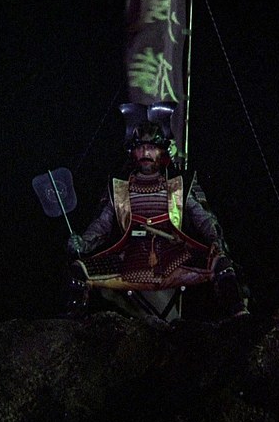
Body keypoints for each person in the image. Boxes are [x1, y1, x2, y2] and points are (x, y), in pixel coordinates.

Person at [65, 101, 248, 321]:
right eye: (140, 147)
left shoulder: (180, 183)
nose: (145, 152)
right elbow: (102, 225)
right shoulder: (119, 186)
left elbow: (203, 217)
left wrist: (215, 239)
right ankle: (71, 327)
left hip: (176, 259)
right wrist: (83, 243)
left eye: (151, 147)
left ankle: (240, 319)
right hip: (129, 260)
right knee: (79, 270)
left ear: (162, 150)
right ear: (132, 151)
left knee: (222, 264)